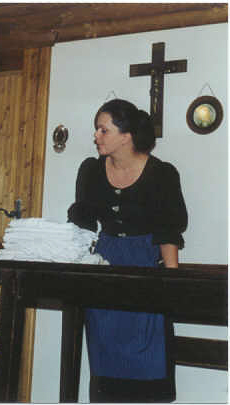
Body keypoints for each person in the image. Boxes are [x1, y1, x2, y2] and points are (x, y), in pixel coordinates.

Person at [67, 99, 188, 402]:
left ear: (126, 135)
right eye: (97, 129)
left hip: (145, 265)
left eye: (103, 130)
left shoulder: (162, 174)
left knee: (149, 350)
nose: (96, 136)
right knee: (104, 351)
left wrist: (172, 283)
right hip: (104, 266)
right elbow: (82, 226)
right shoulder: (91, 171)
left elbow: (168, 231)